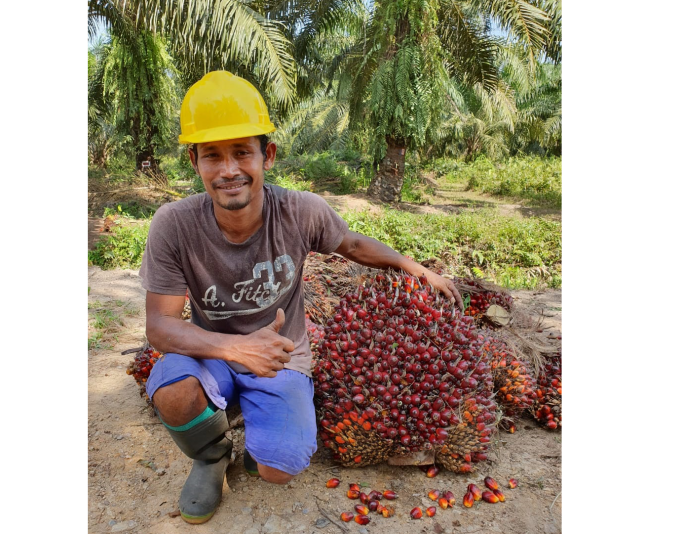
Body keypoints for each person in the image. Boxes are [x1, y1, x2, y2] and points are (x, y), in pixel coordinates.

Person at [138, 70, 463, 524]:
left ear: (266, 155)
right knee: (173, 391)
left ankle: (257, 433)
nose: (229, 170)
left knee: (278, 468)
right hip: (209, 352)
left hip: (283, 357)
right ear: (194, 162)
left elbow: (351, 244)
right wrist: (235, 347)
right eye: (212, 155)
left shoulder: (299, 211)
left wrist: (414, 267)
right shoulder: (174, 224)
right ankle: (211, 457)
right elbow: (161, 326)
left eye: (241, 153)